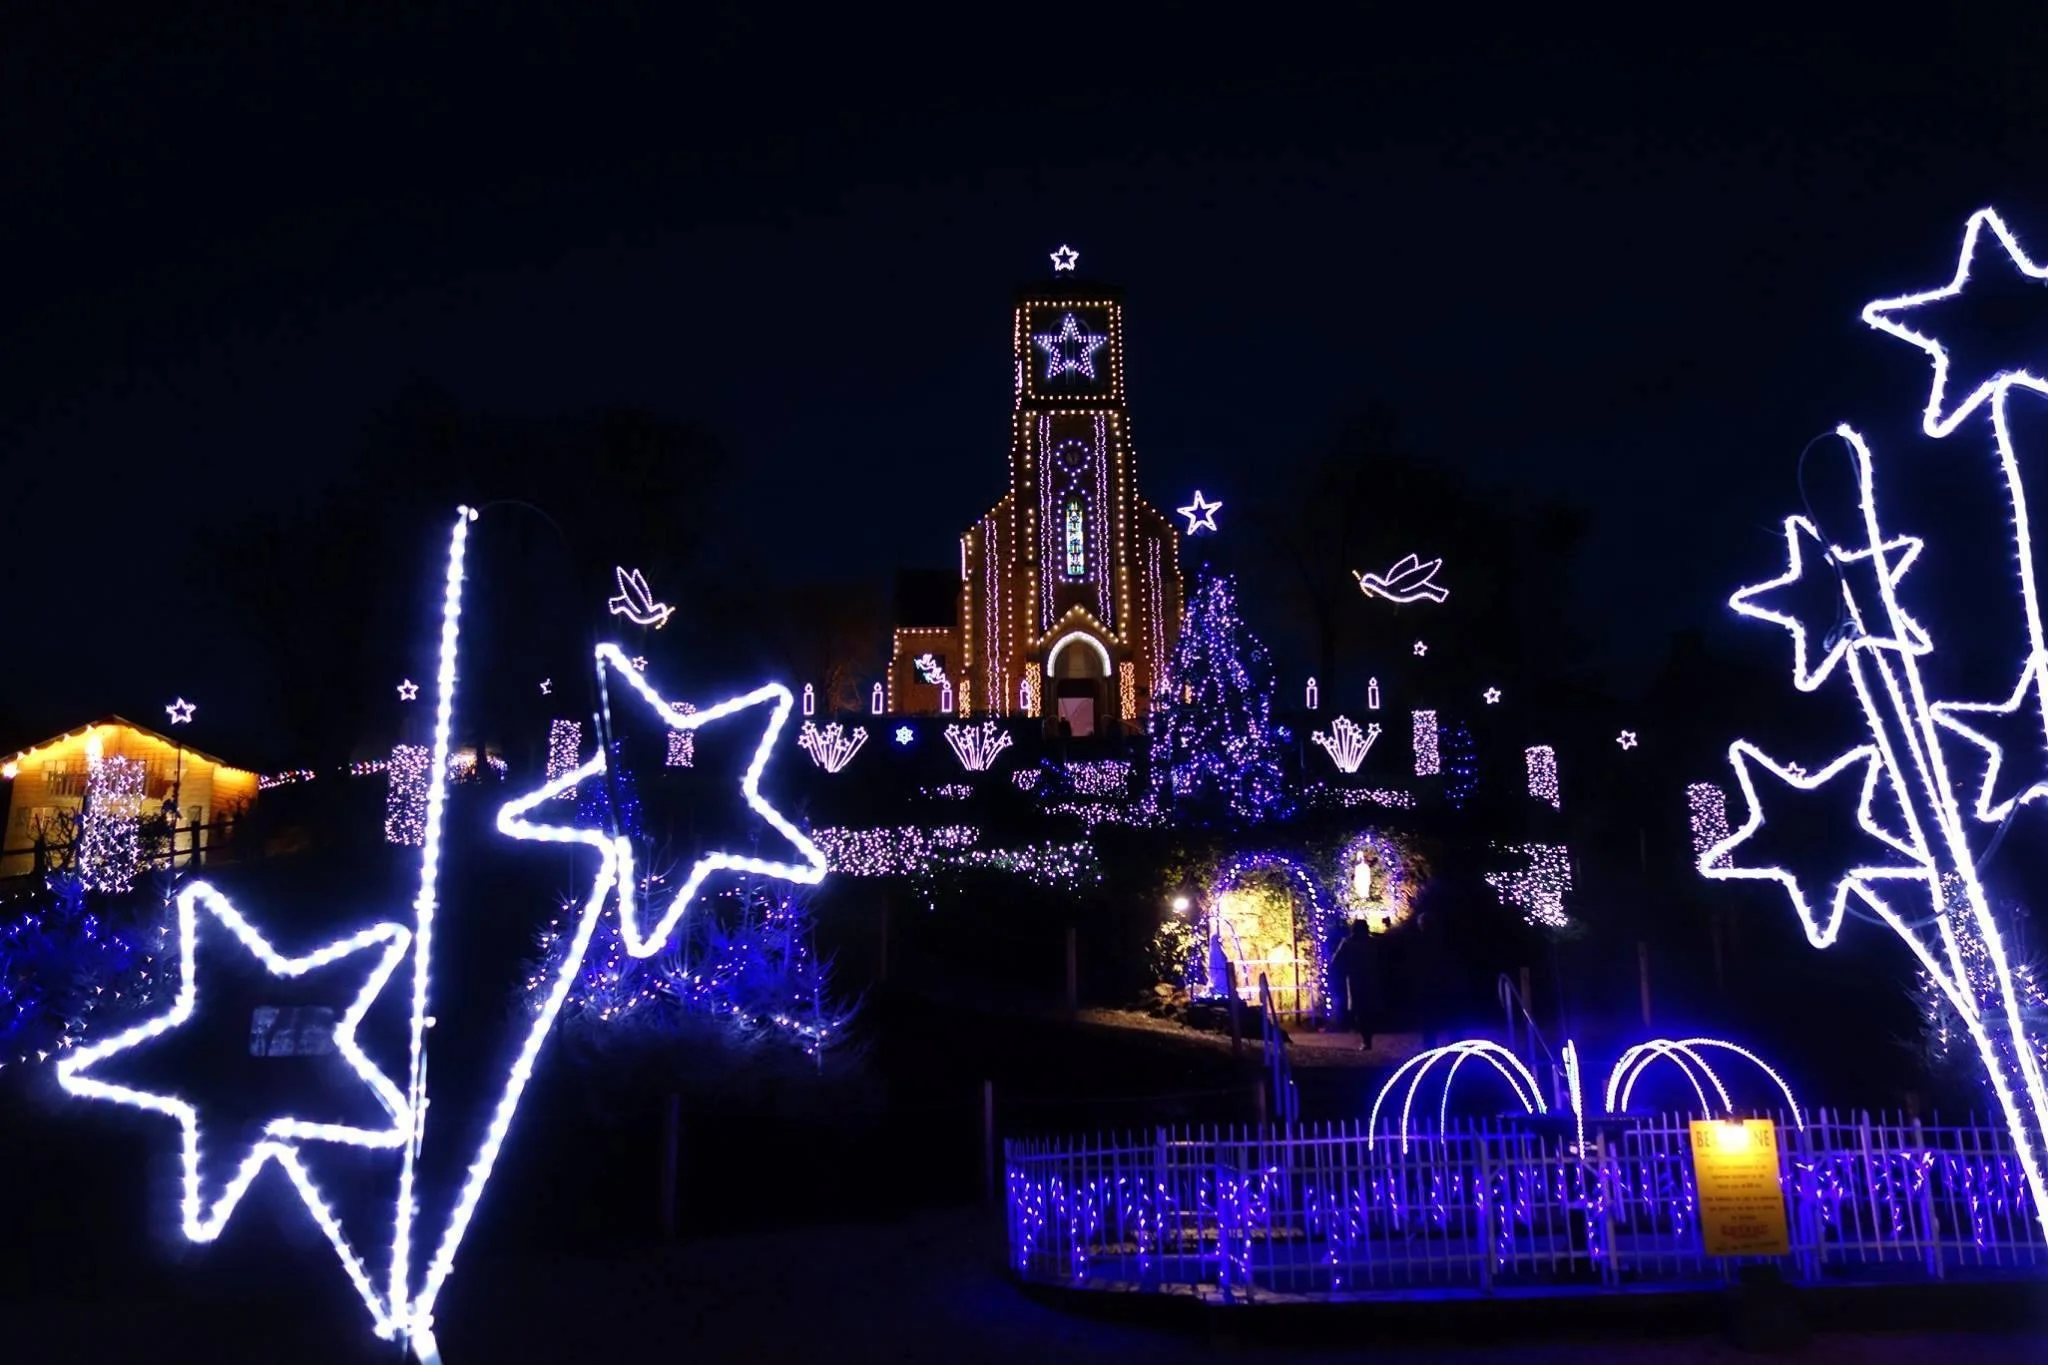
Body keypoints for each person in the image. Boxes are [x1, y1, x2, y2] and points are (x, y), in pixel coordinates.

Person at [1327, 919, 1380, 1051]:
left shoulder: (1348, 943)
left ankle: (1366, 1039)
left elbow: (1336, 961)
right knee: (1366, 1010)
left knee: (1360, 1010)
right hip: (1368, 979)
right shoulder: (1371, 943)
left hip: (1356, 979)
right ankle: (1367, 1038)